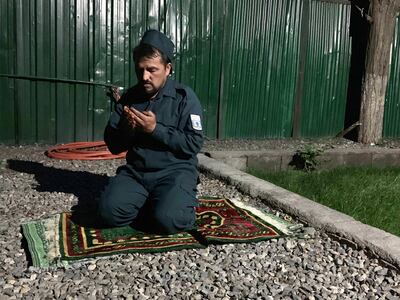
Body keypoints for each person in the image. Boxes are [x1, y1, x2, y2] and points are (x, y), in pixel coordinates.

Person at [98, 29, 204, 235]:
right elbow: (113, 145)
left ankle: (177, 204)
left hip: (175, 172)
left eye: (152, 70)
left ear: (168, 69)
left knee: (170, 220)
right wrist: (126, 129)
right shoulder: (130, 98)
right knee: (107, 213)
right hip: (137, 173)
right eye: (140, 70)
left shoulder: (184, 98)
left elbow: (193, 144)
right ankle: (153, 202)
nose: (145, 77)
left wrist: (155, 129)